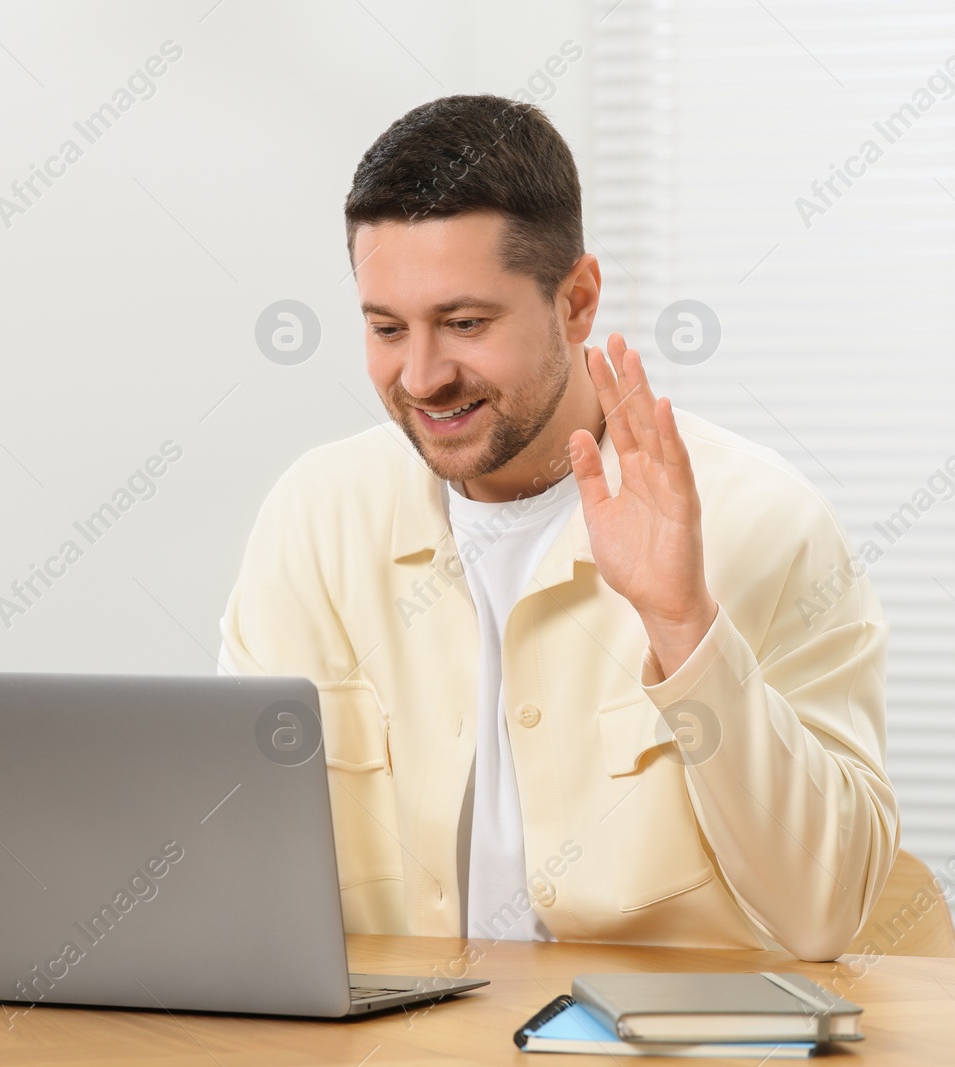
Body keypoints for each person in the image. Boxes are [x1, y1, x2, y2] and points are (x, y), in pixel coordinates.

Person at [220, 94, 895, 961]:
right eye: (387, 328)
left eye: (465, 324)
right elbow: (231, 852)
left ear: (576, 302)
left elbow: (827, 911)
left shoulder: (761, 521)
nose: (421, 377)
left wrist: (685, 627)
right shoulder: (315, 518)